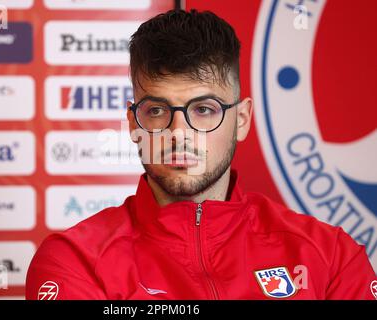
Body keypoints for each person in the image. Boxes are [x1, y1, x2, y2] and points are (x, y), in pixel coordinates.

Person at [26, 9, 376, 300]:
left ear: (241, 120)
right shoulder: (76, 262)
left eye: (204, 110)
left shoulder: (331, 257)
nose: (179, 133)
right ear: (134, 123)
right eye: (157, 110)